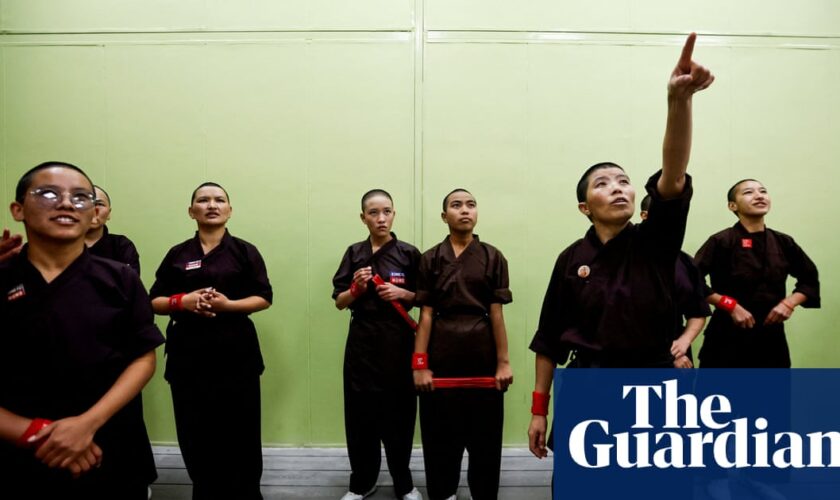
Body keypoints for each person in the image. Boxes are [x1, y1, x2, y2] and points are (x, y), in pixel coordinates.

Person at [528, 32, 714, 460]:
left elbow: (674, 173)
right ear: (583, 206)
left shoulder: (656, 243)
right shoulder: (571, 259)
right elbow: (548, 341)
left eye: (624, 181)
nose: (618, 188)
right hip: (589, 386)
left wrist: (679, 101)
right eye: (602, 183)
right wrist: (540, 409)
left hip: (655, 386)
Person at [0, 161, 164, 499]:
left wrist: (86, 424)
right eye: (47, 193)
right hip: (17, 452)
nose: (65, 203)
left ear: (94, 214)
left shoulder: (120, 279)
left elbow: (142, 358)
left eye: (81, 197)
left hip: (108, 448)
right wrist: (34, 433)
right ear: (18, 210)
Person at [149, 182, 272, 500]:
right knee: (194, 432)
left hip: (236, 354)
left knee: (241, 432)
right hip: (188, 356)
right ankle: (204, 491)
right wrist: (183, 301)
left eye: (219, 200)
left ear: (230, 210)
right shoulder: (178, 254)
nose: (212, 205)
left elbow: (264, 298)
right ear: (192, 212)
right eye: (203, 200)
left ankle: (246, 493)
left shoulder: (245, 251)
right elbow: (154, 301)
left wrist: (228, 306)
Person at [413, 188, 513, 500]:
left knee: (485, 441)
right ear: (445, 216)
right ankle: (443, 492)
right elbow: (425, 315)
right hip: (440, 356)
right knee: (439, 439)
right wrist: (420, 365)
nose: (465, 210)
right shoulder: (430, 259)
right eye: (456, 205)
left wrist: (503, 362)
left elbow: (496, 314)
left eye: (471, 204)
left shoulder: (493, 257)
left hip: (482, 356)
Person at [332, 189, 422, 500]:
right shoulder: (355, 253)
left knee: (400, 414)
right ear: (363, 218)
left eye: (386, 211)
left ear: (394, 214)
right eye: (373, 213)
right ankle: (361, 482)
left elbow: (426, 298)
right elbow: (339, 302)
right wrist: (355, 289)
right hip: (361, 342)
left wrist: (404, 295)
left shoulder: (409, 254)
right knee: (359, 415)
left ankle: (404, 483)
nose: (380, 218)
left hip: (398, 341)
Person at [694, 179, 820, 367]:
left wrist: (789, 303)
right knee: (721, 395)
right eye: (748, 192)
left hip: (771, 339)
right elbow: (692, 280)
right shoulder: (721, 241)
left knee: (772, 395)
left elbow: (809, 278)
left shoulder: (783, 242)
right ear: (732, 205)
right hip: (726, 338)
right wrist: (730, 305)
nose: (759, 195)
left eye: (763, 191)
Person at [639, 194, 710, 368]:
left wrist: (683, 343)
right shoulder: (624, 253)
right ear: (644, 215)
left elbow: (697, 312)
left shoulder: (684, 261)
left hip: (675, 358)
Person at [85, 185, 141, 274]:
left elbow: (129, 284)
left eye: (99, 204)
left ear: (109, 213)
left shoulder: (122, 246)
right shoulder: (62, 245)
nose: (93, 209)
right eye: (86, 203)